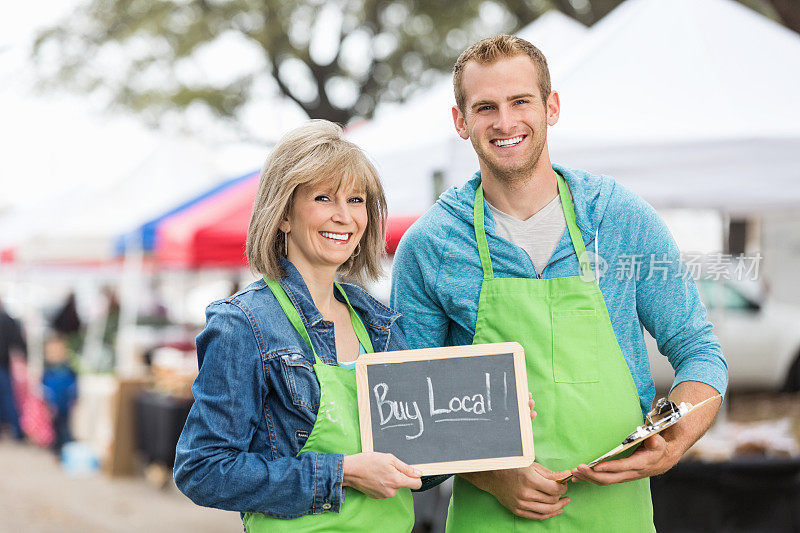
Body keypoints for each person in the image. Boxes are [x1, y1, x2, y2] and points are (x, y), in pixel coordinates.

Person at [390, 35, 728, 532]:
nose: (505, 123)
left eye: (521, 101)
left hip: (614, 515)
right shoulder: (432, 244)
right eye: (486, 107)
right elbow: (407, 411)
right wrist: (494, 473)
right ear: (461, 121)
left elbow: (699, 350)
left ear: (551, 107)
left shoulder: (619, 219)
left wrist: (674, 440)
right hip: (492, 519)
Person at [174, 120, 423, 532]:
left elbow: (417, 466)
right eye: (324, 198)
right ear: (284, 214)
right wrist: (341, 473)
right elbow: (203, 469)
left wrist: (484, 425)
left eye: (356, 200)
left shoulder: (379, 325)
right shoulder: (245, 324)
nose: (344, 217)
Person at [41, 334, 78, 454]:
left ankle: (67, 445)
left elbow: (74, 385)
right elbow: (44, 388)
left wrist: (74, 397)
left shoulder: (69, 370)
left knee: (66, 426)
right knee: (55, 426)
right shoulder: (47, 372)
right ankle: (57, 446)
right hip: (54, 404)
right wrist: (47, 402)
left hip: (66, 404)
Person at [0, 297, 26, 441]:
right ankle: (17, 432)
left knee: (7, 397)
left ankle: (15, 430)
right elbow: (18, 341)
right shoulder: (7, 319)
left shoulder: (7, 319)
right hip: (3, 364)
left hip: (3, 364)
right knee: (8, 398)